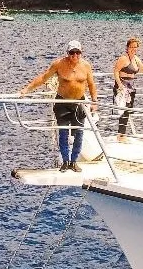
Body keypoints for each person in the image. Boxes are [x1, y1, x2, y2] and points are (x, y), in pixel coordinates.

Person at [20, 40, 99, 173]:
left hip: (79, 103)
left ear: (81, 53)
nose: (75, 55)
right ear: (67, 53)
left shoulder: (86, 66)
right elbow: (43, 78)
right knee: (63, 133)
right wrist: (27, 89)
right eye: (72, 53)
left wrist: (94, 101)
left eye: (77, 53)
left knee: (79, 133)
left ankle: (74, 162)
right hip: (62, 102)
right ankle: (65, 161)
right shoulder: (59, 64)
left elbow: (91, 84)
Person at [112, 37, 143, 142]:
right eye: (131, 47)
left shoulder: (136, 59)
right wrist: (120, 85)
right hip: (122, 87)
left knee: (128, 111)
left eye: (135, 47)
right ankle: (121, 135)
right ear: (127, 47)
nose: (133, 49)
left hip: (130, 88)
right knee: (123, 111)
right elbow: (116, 71)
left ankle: (122, 134)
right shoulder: (123, 59)